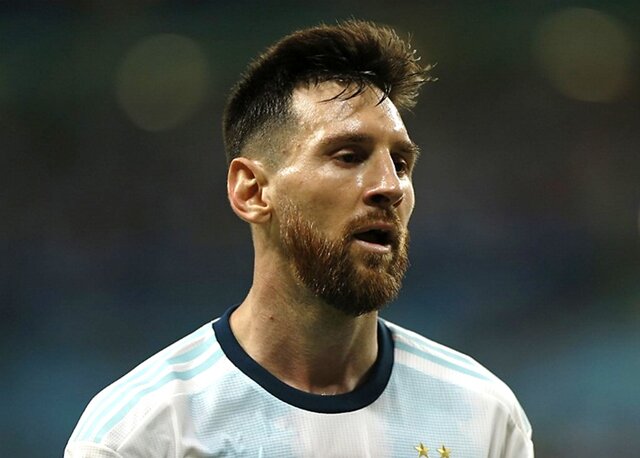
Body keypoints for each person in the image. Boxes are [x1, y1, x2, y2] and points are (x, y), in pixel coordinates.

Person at [65, 20, 534, 457]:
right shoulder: (140, 434)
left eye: (401, 164)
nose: (390, 187)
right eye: (349, 156)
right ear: (252, 191)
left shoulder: (484, 416)